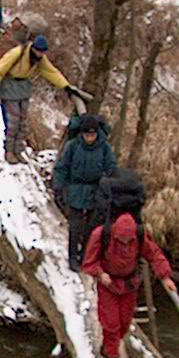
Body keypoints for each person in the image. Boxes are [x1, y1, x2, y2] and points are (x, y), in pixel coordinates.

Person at [81, 212, 177, 358]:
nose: (125, 244)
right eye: (121, 241)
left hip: (129, 284)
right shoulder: (101, 235)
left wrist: (165, 277)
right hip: (108, 284)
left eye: (128, 241)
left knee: (124, 323)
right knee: (111, 323)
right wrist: (100, 273)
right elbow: (89, 262)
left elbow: (154, 255)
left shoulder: (139, 237)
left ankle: (109, 347)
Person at [0, 34, 77, 165]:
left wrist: (65, 86)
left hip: (24, 89)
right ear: (33, 48)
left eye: (43, 52)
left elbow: (51, 72)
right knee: (13, 122)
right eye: (39, 51)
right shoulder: (18, 53)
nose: (40, 55)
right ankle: (9, 151)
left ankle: (18, 150)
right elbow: (0, 68)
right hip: (10, 86)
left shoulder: (40, 60)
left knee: (22, 122)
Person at [52, 115, 118, 271]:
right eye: (86, 135)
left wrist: (110, 186)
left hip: (95, 190)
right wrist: (58, 188)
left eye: (92, 135)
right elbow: (62, 168)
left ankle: (85, 256)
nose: (89, 138)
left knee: (91, 227)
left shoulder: (104, 147)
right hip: (75, 188)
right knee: (75, 226)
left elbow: (111, 168)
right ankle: (72, 257)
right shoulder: (72, 146)